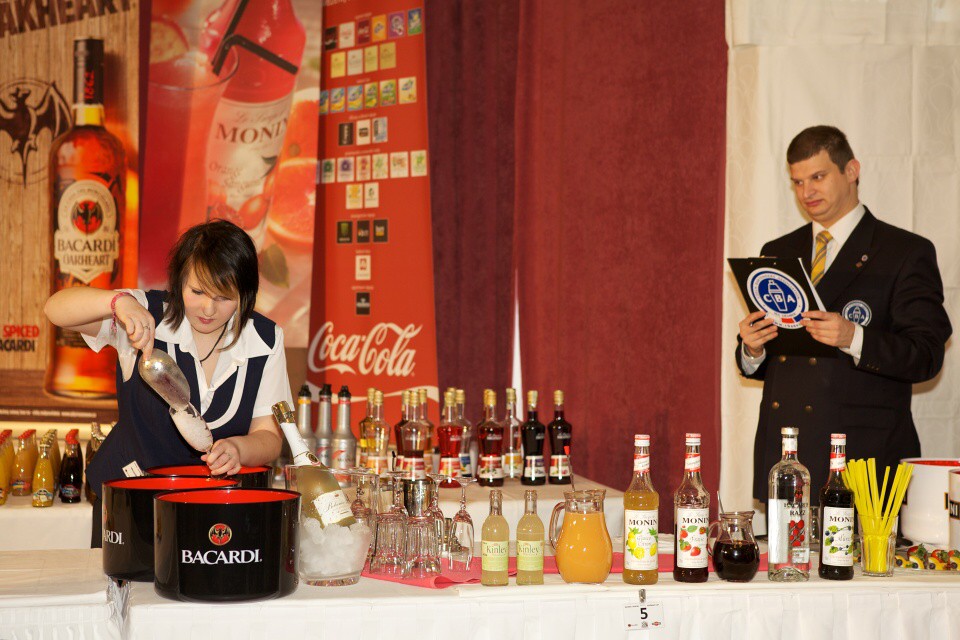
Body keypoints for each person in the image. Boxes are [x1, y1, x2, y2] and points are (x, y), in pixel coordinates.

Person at [736, 125, 952, 504]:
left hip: (861, 457)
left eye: (818, 177)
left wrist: (854, 337)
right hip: (787, 454)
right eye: (798, 182)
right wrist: (753, 350)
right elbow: (782, 354)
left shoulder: (903, 251)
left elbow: (926, 355)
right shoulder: (778, 250)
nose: (807, 192)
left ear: (851, 170)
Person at [44, 220, 291, 546]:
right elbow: (55, 309)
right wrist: (118, 302)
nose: (208, 309)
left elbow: (269, 437)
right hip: (130, 502)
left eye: (224, 297)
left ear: (245, 293)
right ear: (179, 280)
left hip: (213, 508)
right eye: (197, 292)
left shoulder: (264, 339)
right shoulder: (145, 314)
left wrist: (238, 449)